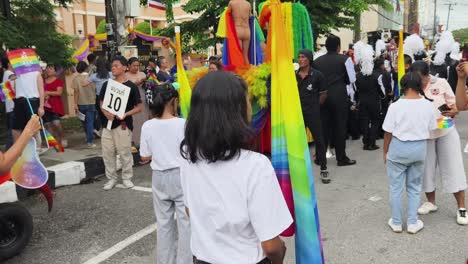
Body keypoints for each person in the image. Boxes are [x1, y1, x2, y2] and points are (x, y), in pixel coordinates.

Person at [180, 71, 292, 264]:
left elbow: (190, 211)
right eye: (248, 100)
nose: (251, 106)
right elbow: (271, 245)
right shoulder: (255, 165)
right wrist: (279, 255)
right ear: (236, 110)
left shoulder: (189, 157)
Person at [411, 61, 468, 226]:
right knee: (426, 170)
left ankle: (462, 207)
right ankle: (431, 201)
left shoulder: (441, 83)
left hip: (445, 130)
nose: (419, 82)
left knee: (453, 167)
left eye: (421, 78)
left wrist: (454, 110)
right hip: (425, 134)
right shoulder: (412, 86)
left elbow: (456, 104)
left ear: (427, 74)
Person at [139, 84, 191, 264]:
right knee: (185, 224)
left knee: (163, 225)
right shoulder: (183, 124)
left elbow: (144, 155)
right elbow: (190, 154)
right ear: (173, 101)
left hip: (158, 177)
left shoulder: (148, 125)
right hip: (180, 176)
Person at [383, 72, 438, 234]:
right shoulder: (428, 105)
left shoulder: (395, 106)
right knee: (414, 187)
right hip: (419, 148)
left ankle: (397, 222)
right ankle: (413, 223)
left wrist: (385, 152)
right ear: (420, 86)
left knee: (396, 187)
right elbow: (432, 127)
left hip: (398, 149)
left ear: (403, 86)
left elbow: (388, 133)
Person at [99, 56, 142, 190]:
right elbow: (101, 102)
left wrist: (126, 114)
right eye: (112, 66)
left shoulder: (132, 87)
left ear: (124, 67)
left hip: (123, 125)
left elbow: (139, 107)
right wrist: (106, 112)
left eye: (117, 65)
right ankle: (111, 178)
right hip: (107, 124)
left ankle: (127, 178)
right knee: (107, 152)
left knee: (124, 152)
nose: (113, 68)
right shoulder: (107, 84)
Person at [314, 35, 357, 166]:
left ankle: (320, 157)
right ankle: (341, 158)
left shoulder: (317, 61)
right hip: (339, 95)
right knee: (340, 127)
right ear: (338, 47)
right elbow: (352, 79)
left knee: (323, 128)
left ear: (326, 46)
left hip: (322, 96)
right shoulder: (345, 59)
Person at [296, 49, 330, 184]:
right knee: (298, 142)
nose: (300, 59)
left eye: (303, 57)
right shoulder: (294, 75)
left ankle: (323, 168)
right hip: (298, 113)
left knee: (319, 140)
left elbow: (323, 94)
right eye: (298, 57)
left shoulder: (317, 75)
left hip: (313, 113)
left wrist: (316, 106)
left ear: (309, 59)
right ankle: (298, 171)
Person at [355, 60, 385, 151]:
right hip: (374, 102)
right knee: (375, 121)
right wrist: (383, 97)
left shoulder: (357, 76)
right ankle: (371, 143)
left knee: (364, 122)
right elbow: (382, 91)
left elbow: (355, 90)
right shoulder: (377, 76)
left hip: (362, 102)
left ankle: (365, 142)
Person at [12, 69, 45, 151]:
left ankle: (37, 149)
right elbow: (16, 91)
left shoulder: (36, 73)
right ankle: (18, 151)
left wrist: (41, 107)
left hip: (32, 101)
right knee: (16, 128)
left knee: (33, 127)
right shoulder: (17, 74)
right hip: (19, 101)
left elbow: (41, 90)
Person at [85, 58, 113, 135]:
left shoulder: (95, 76)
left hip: (100, 98)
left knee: (102, 115)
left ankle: (105, 131)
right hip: (110, 97)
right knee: (111, 114)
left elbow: (84, 83)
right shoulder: (111, 74)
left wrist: (89, 74)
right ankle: (110, 129)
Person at [73, 61, 96, 148]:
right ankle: (89, 141)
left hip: (80, 103)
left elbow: (76, 92)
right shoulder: (91, 77)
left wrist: (75, 104)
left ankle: (88, 137)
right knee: (90, 122)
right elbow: (95, 89)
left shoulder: (76, 79)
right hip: (91, 102)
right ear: (86, 67)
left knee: (84, 122)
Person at [126, 57, 148, 151]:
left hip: (143, 100)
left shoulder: (142, 74)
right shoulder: (125, 76)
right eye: (134, 65)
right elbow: (127, 88)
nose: (136, 67)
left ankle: (144, 142)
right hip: (132, 102)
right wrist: (138, 82)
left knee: (144, 121)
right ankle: (133, 142)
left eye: (138, 65)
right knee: (134, 122)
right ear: (128, 66)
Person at [43, 64, 66, 147]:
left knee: (56, 123)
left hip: (55, 106)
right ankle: (52, 142)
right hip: (45, 106)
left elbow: (59, 93)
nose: (48, 70)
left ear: (55, 71)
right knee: (47, 125)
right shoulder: (43, 81)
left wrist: (48, 93)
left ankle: (62, 137)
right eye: (47, 68)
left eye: (51, 68)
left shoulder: (58, 81)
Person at [1, 56, 15, 150]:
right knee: (13, 130)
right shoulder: (10, 74)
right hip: (14, 106)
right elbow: (15, 90)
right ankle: (8, 151)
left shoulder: (5, 74)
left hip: (8, 106)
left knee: (11, 130)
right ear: (9, 64)